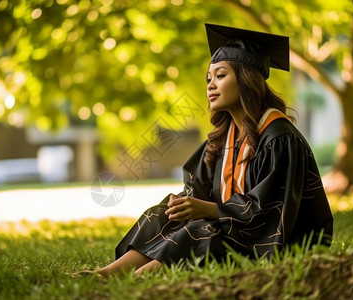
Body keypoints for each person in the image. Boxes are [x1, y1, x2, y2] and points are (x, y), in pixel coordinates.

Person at [70, 23, 333, 278]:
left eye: (220, 75)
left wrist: (207, 210)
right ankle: (107, 273)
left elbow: (269, 209)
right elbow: (199, 190)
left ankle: (146, 276)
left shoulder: (279, 137)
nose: (210, 85)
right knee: (160, 214)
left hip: (269, 239)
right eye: (209, 78)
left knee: (200, 228)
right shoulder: (222, 138)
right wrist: (183, 204)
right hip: (228, 227)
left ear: (246, 79)